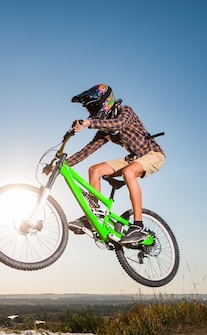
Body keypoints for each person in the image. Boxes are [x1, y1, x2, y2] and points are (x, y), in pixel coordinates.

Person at [66, 84, 165, 244]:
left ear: (105, 103)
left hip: (153, 154)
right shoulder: (105, 130)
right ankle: (93, 216)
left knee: (129, 172)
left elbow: (118, 124)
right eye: (90, 112)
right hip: (133, 158)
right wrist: (62, 165)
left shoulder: (126, 111)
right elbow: (87, 150)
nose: (92, 114)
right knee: (95, 170)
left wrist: (87, 123)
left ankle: (138, 226)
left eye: (93, 109)